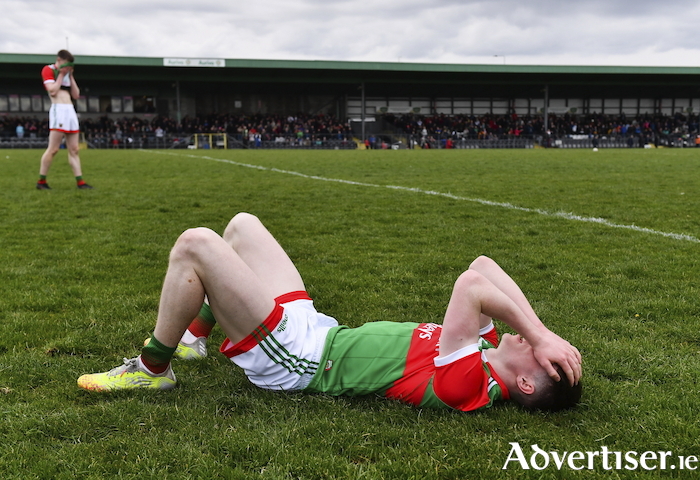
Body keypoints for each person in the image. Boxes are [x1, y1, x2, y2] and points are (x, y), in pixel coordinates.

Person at [78, 213, 582, 412]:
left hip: (299, 360)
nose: (530, 342)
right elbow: (484, 264)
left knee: (197, 246)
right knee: (243, 228)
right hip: (318, 332)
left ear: (527, 385)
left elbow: (471, 285)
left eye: (542, 356)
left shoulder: (468, 385)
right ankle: (193, 339)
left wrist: (536, 332)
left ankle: (152, 370)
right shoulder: (487, 351)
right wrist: (546, 335)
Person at [37, 50, 92, 190]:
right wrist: (61, 75)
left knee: (74, 149)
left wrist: (70, 76)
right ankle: (41, 181)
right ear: (59, 60)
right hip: (58, 109)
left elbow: (76, 94)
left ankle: (80, 182)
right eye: (66, 63)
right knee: (53, 149)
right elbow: (53, 91)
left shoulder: (67, 75)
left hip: (70, 110)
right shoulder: (48, 70)